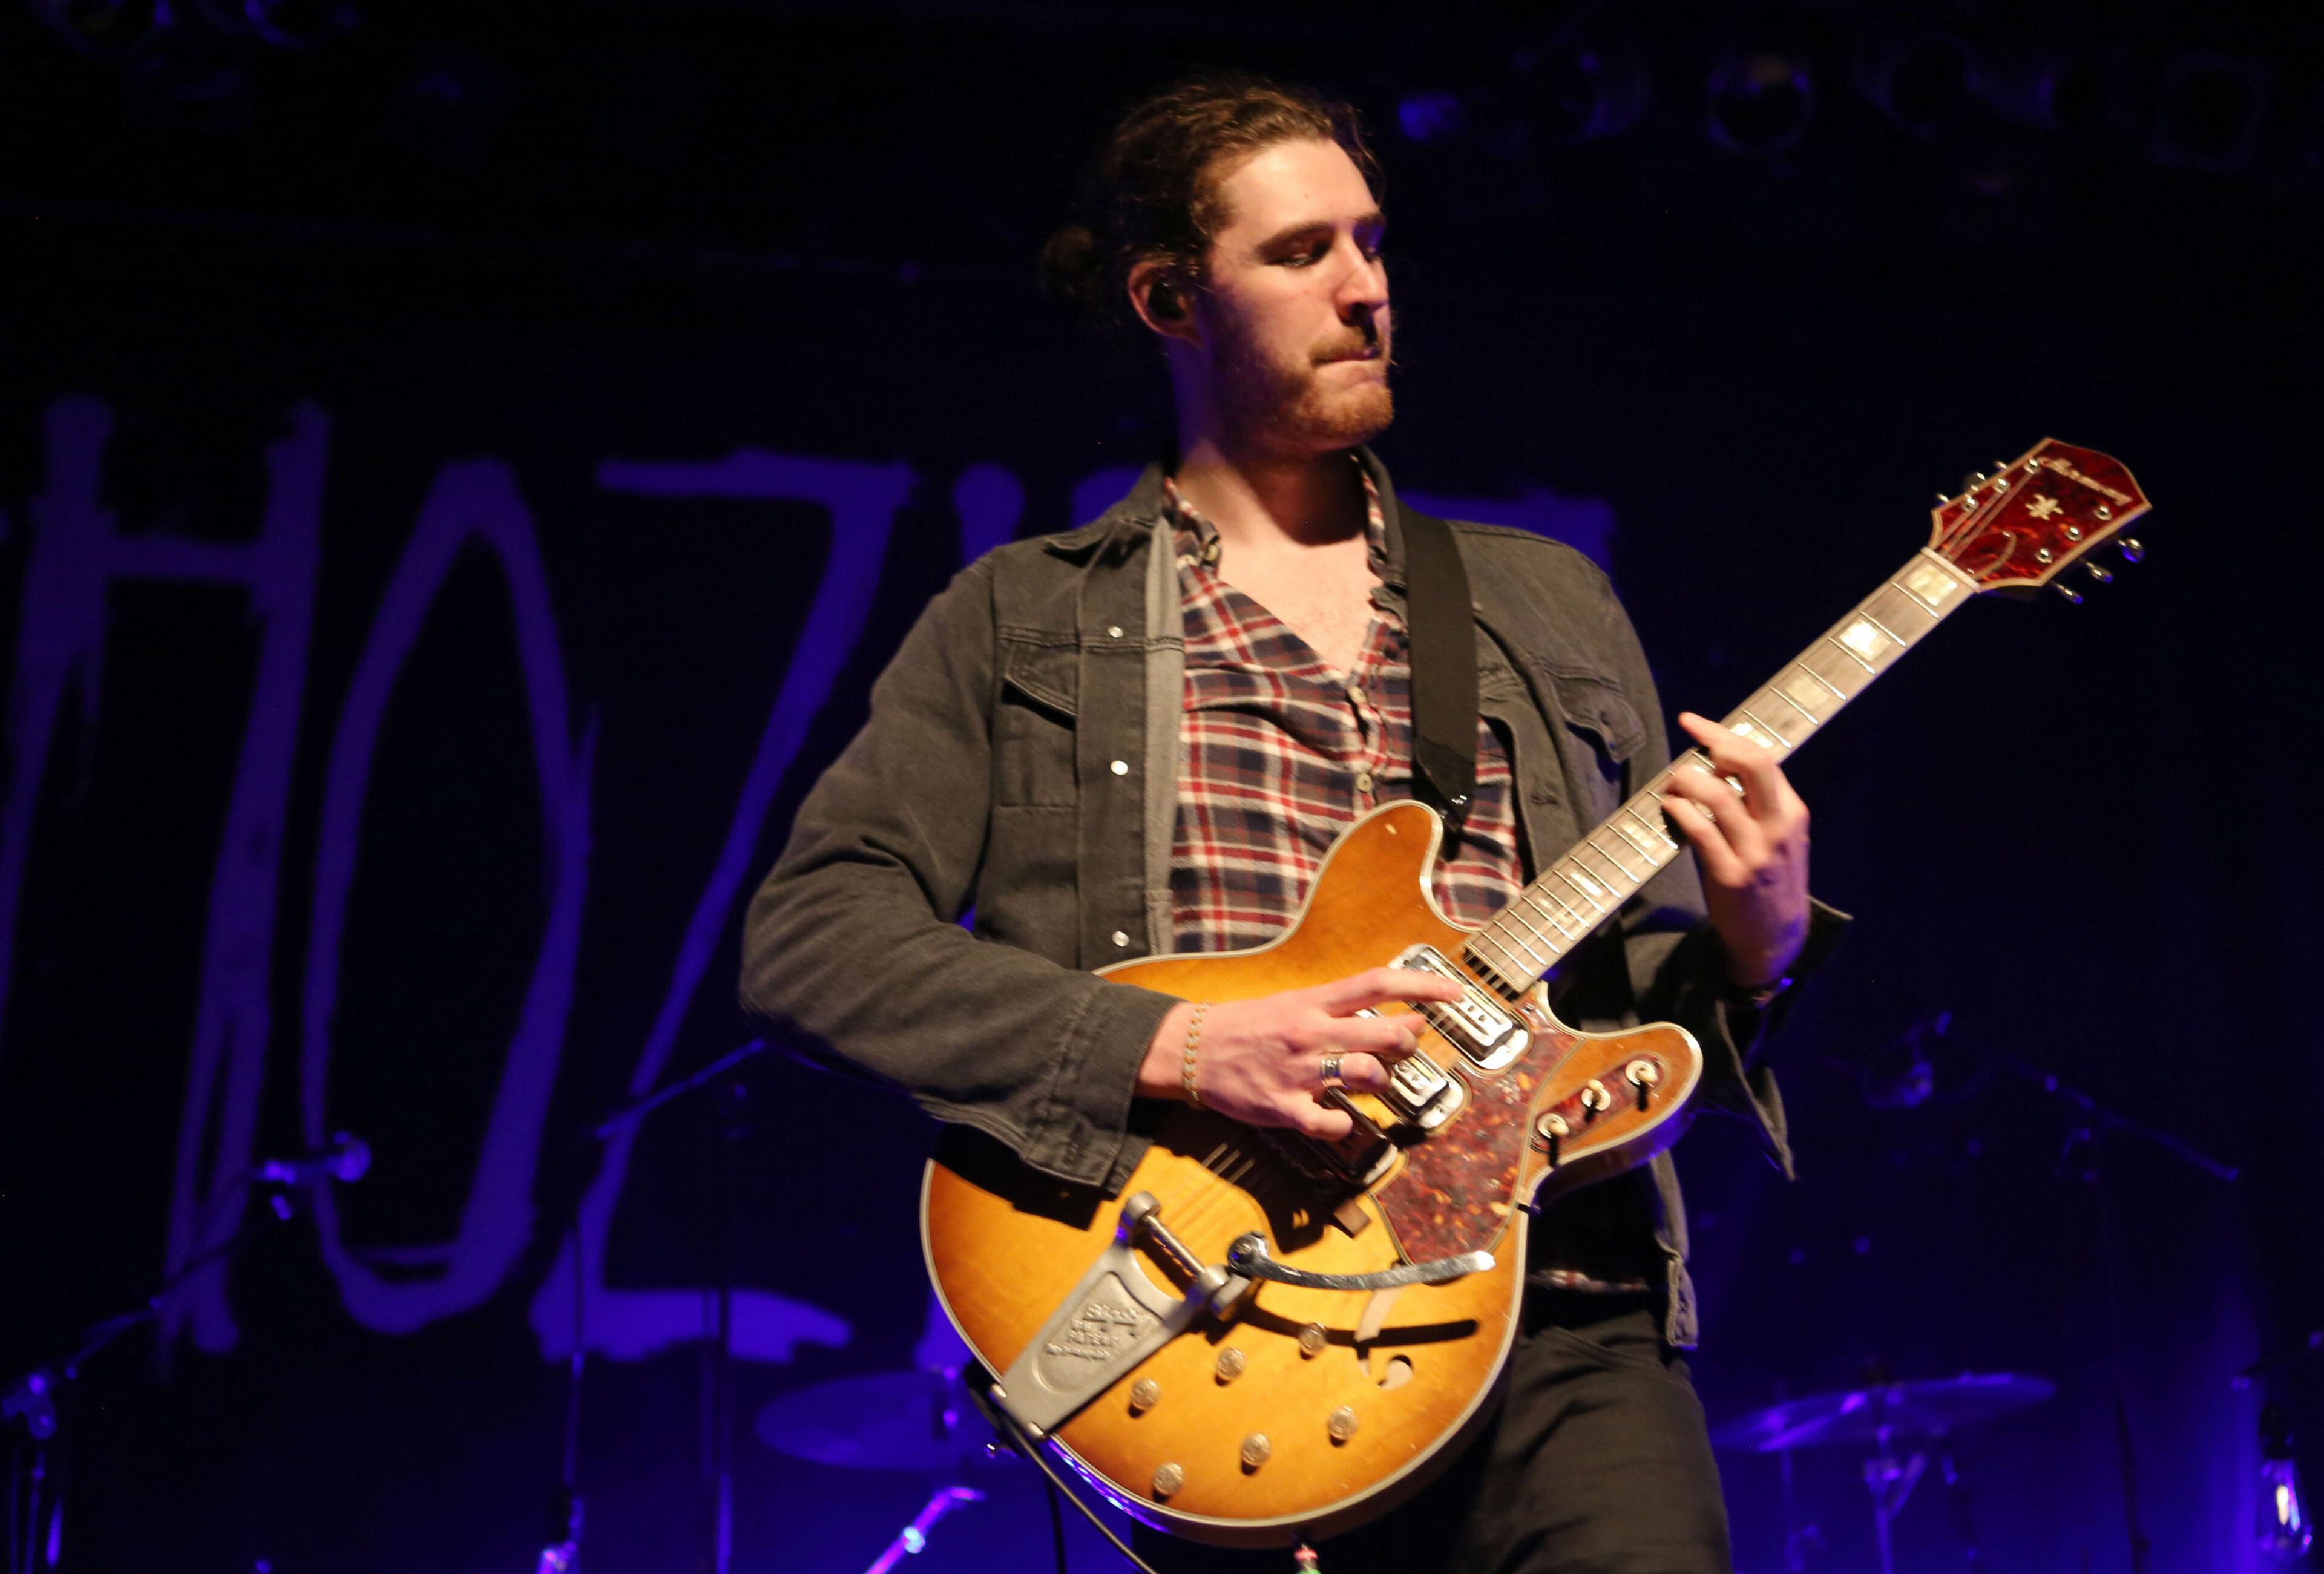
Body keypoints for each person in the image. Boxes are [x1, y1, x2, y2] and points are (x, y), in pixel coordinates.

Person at [743, 73, 1843, 1574]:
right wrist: (1186, 1045)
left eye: (1375, 244)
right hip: (1239, 1324)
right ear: (1169, 299)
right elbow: (812, 941)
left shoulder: (1544, 599)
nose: (1365, 290)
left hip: (1561, 1309)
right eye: (1302, 252)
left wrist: (1757, 943)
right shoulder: (1020, 618)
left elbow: (1635, 1010)